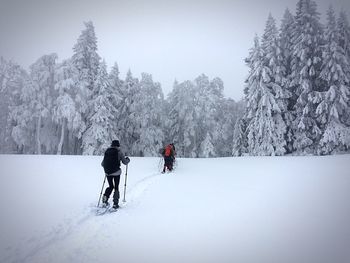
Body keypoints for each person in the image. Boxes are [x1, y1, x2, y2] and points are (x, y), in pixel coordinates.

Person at [101, 140, 130, 209]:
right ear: (118, 145)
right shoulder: (119, 152)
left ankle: (105, 199)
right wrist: (128, 160)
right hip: (116, 173)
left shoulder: (107, 151)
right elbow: (125, 162)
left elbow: (102, 164)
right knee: (116, 187)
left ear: (111, 145)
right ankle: (115, 203)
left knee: (110, 186)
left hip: (108, 173)